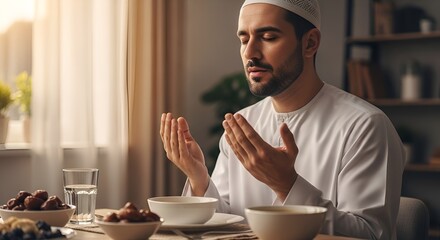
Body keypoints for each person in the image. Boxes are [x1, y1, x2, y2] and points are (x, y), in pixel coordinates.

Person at [160, 0, 405, 239]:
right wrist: (199, 177)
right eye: (244, 39)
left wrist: (288, 185)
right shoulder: (241, 124)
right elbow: (229, 225)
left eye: (268, 37)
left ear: (310, 43)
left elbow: (371, 234)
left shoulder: (364, 126)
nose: (250, 53)